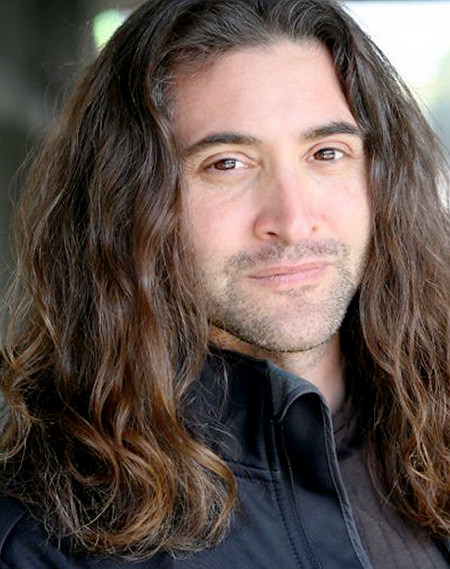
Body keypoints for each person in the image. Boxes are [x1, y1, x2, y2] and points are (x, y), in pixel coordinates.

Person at [0, 0, 449, 567]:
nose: (292, 221)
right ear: (128, 201)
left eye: (326, 153)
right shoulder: (42, 541)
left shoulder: (435, 429)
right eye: (227, 164)